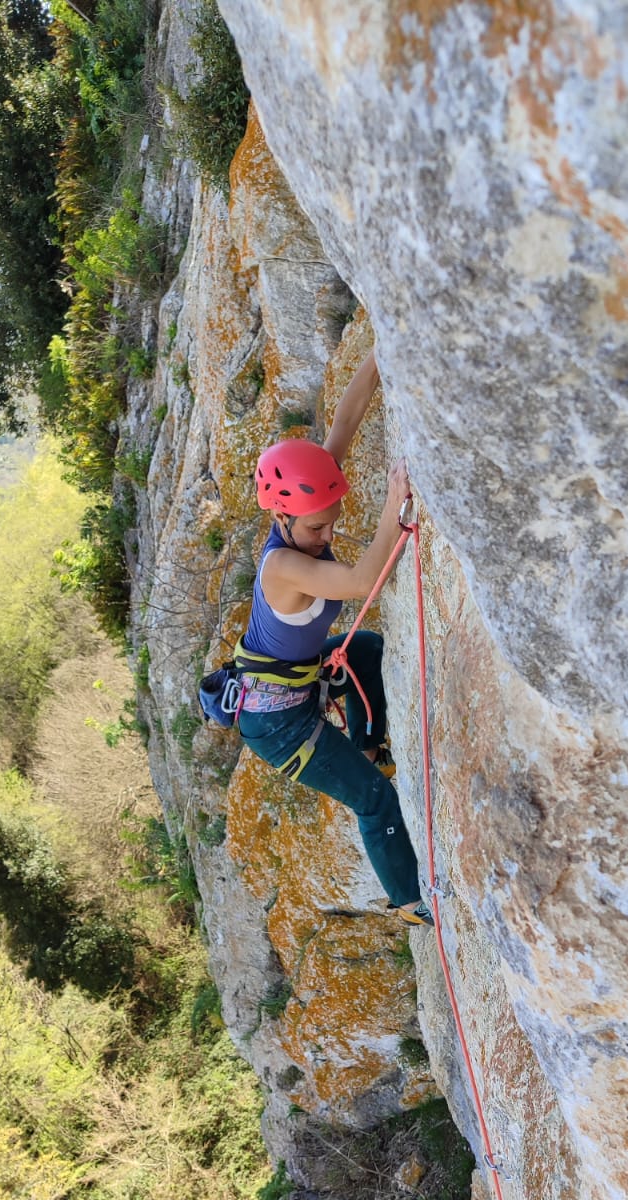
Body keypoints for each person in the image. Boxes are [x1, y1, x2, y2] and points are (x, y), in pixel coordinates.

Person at [236, 351, 432, 926]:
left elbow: (343, 424)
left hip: (295, 682)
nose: (327, 533)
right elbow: (362, 579)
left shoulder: (308, 503)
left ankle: (370, 748)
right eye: (318, 527)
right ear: (282, 518)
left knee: (365, 648)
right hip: (278, 724)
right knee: (374, 799)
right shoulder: (283, 569)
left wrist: (379, 356)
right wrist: (393, 507)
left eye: (332, 520)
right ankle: (410, 902)